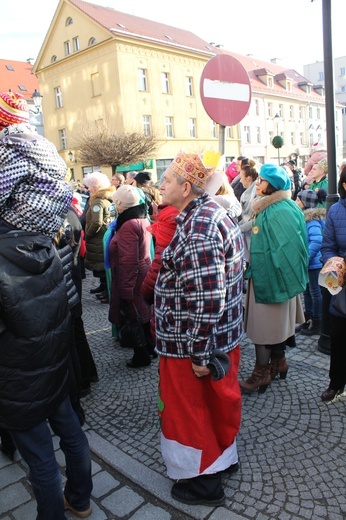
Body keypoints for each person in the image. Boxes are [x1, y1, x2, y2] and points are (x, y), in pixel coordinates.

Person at [0, 91, 92, 519]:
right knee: (71, 433)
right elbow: (69, 305)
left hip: (18, 377)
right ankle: (82, 500)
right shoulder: (45, 243)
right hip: (54, 366)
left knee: (39, 458)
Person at [154, 151, 244, 507]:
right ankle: (221, 460)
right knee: (213, 406)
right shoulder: (203, 216)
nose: (160, 185)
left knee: (192, 412)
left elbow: (208, 297)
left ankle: (203, 482)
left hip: (192, 344)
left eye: (167, 180)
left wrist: (199, 351)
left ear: (186, 187)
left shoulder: (200, 226)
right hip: (210, 339)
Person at [240, 164, 309, 394]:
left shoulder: (278, 210)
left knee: (265, 328)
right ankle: (279, 363)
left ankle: (261, 374)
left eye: (261, 180)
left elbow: (289, 248)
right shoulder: (276, 207)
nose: (257, 184)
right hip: (271, 277)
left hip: (272, 280)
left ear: (271, 185)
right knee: (274, 327)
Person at [109, 185, 154, 368]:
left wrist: (125, 289)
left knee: (134, 315)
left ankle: (141, 355)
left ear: (120, 205)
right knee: (143, 313)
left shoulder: (128, 224)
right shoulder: (141, 218)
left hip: (132, 278)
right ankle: (150, 349)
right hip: (142, 272)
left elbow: (128, 260)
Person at [320, 166, 346, 402]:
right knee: (338, 335)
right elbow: (327, 245)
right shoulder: (336, 210)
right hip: (342, 285)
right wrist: (334, 264)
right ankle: (336, 383)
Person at [296, 189, 327, 336]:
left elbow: (317, 240)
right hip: (308, 263)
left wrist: (306, 257)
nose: (296, 202)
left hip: (314, 263)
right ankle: (307, 317)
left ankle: (317, 321)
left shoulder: (312, 220)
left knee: (315, 293)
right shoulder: (305, 218)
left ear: (305, 203)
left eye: (298, 200)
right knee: (307, 292)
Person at [83, 171, 115, 300]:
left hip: (97, 238)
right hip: (103, 236)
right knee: (103, 265)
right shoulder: (106, 198)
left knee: (101, 265)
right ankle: (104, 287)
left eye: (90, 186)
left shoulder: (97, 201)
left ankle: (107, 291)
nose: (88, 189)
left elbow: (96, 222)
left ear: (95, 186)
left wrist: (88, 235)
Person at [238, 159, 258, 262]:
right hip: (248, 235)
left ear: (248, 178)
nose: (240, 180)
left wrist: (239, 229)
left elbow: (255, 219)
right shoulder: (247, 193)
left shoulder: (256, 194)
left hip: (255, 238)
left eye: (241, 177)